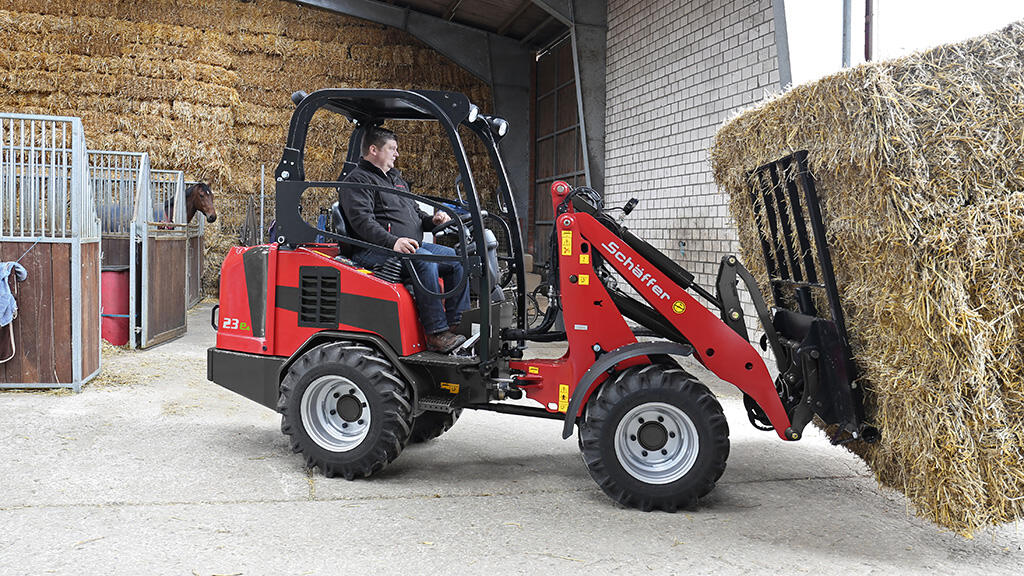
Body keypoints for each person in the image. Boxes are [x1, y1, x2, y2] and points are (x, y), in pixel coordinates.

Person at [339, 127, 470, 353]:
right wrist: (393, 242)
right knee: (424, 259)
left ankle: (456, 323)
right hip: (373, 248)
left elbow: (415, 214)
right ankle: (436, 333)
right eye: (392, 149)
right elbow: (362, 222)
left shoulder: (395, 179)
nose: (397, 154)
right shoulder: (358, 181)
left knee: (458, 260)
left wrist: (433, 221)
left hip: (406, 244)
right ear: (373, 150)